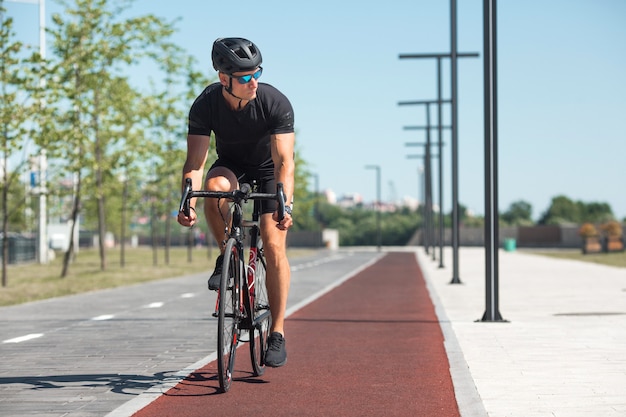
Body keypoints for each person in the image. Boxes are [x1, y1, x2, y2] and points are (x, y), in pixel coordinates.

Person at [177, 37, 294, 368]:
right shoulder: (205, 104)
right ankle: (225, 254)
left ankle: (278, 332)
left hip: (270, 170)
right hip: (232, 166)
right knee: (214, 190)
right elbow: (196, 164)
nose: (252, 81)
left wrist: (285, 203)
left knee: (273, 244)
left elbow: (285, 161)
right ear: (223, 79)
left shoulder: (274, 102)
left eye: (256, 73)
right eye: (244, 77)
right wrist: (186, 200)